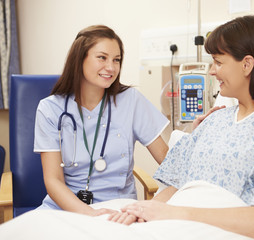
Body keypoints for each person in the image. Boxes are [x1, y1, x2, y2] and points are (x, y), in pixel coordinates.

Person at [108, 15, 254, 240]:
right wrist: (141, 214)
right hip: (171, 227)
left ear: (247, 64)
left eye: (218, 62)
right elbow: (175, 184)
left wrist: (175, 213)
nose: (212, 71)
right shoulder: (214, 121)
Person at [34, 25, 169, 216]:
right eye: (102, 57)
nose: (111, 67)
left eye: (117, 60)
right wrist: (89, 213)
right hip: (66, 208)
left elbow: (167, 159)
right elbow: (53, 180)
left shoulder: (131, 101)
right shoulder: (50, 109)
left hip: (119, 210)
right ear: (80, 58)